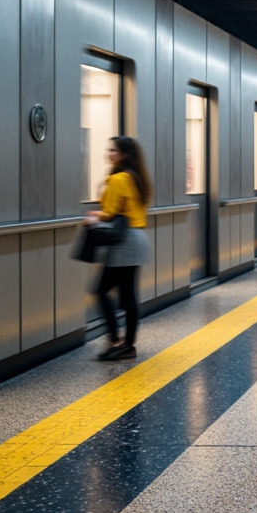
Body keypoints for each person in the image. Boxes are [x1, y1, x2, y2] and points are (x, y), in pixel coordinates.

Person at [87, 136, 153, 360]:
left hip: (124, 242)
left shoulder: (118, 179)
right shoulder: (137, 178)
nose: (109, 154)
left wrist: (94, 216)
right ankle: (128, 345)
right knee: (128, 294)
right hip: (138, 238)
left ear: (124, 154)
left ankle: (116, 340)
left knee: (101, 290)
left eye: (113, 150)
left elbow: (109, 212)